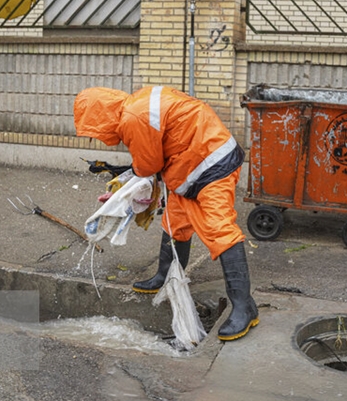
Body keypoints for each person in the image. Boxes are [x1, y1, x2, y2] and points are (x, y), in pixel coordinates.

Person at [73, 86, 259, 341]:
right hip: (191, 165)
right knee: (175, 224)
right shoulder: (136, 106)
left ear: (100, 115)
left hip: (211, 165)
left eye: (94, 129)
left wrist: (126, 187)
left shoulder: (132, 118)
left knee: (220, 231)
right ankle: (163, 277)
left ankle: (244, 307)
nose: (98, 136)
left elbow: (149, 164)